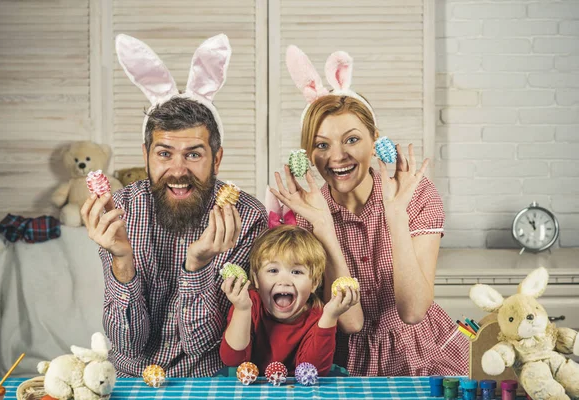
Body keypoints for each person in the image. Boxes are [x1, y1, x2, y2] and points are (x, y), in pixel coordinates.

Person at [270, 45, 469, 376]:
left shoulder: (417, 195)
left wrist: (395, 215)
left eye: (351, 140)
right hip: (352, 362)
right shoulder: (307, 215)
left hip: (426, 350)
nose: (337, 157)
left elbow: (414, 310)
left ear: (374, 139)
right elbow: (351, 321)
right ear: (308, 154)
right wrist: (323, 226)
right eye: (322, 145)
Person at [80, 34, 267, 377]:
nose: (178, 171)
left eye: (193, 154)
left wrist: (196, 264)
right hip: (130, 377)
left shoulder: (247, 217)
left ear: (217, 158)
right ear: (146, 156)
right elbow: (127, 344)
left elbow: (204, 345)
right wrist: (122, 260)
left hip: (204, 378)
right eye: (164, 153)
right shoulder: (121, 210)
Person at [219, 224, 360, 376]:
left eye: (296, 271)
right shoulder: (247, 304)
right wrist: (242, 310)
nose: (284, 281)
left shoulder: (318, 316)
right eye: (273, 270)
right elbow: (232, 359)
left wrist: (330, 316)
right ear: (256, 279)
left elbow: (314, 370)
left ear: (314, 283)